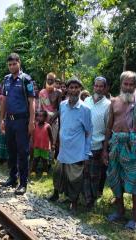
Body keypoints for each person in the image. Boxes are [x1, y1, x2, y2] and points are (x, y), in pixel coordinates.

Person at [102, 71, 136, 230]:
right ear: (121, 84)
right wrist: (104, 149)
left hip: (133, 147)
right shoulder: (114, 101)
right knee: (114, 177)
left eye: (131, 85)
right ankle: (120, 211)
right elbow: (109, 126)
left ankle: (135, 218)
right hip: (116, 144)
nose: (128, 87)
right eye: (125, 84)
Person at [50, 78, 92, 213]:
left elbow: (89, 132)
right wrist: (57, 142)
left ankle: (73, 203)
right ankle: (56, 194)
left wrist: (86, 154)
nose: (74, 90)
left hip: (77, 151)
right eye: (71, 87)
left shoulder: (85, 109)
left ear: (80, 89)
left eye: (76, 87)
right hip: (63, 148)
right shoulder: (62, 105)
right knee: (58, 174)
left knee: (75, 179)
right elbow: (63, 124)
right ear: (67, 89)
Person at [0, 53, 35, 195]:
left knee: (22, 152)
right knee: (11, 151)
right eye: (9, 64)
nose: (12, 66)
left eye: (14, 64)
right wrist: (2, 119)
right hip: (9, 120)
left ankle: (23, 183)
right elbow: (4, 100)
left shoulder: (26, 79)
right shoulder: (6, 80)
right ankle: (12, 178)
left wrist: (31, 121)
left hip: (22, 121)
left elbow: (32, 101)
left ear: (19, 63)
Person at [83, 76, 111, 209]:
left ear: (105, 88)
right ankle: (86, 197)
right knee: (84, 172)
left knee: (95, 175)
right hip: (83, 144)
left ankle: (92, 200)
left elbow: (108, 129)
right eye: (96, 85)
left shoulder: (108, 105)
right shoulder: (86, 101)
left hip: (97, 145)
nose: (98, 88)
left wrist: (105, 149)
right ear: (93, 86)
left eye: (101, 86)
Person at [38, 72, 62, 160]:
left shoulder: (59, 93)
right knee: (43, 139)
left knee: (53, 141)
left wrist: (52, 119)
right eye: (49, 79)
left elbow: (60, 109)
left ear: (55, 81)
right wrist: (43, 119)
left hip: (54, 121)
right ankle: (42, 160)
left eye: (52, 80)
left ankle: (50, 160)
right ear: (46, 80)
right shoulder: (42, 92)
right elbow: (40, 108)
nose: (50, 81)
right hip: (43, 120)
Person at [31, 110, 53, 176]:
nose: (39, 118)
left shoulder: (48, 126)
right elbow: (33, 135)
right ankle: (33, 170)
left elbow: (51, 137)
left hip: (45, 147)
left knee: (44, 160)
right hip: (36, 146)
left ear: (45, 118)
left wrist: (53, 144)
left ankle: (45, 171)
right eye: (38, 116)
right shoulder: (35, 125)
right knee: (36, 159)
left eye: (41, 116)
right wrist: (32, 142)